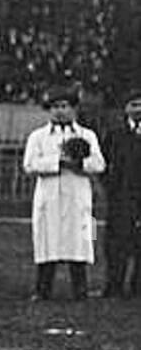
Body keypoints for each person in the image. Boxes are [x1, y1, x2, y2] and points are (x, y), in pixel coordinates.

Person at [22, 87, 106, 301]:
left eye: (64, 106)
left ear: (73, 109)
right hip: (48, 196)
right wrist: (57, 163)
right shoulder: (38, 136)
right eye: (55, 107)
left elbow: (99, 164)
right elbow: (29, 164)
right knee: (47, 242)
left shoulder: (87, 135)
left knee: (79, 242)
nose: (60, 111)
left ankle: (80, 290)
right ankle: (42, 290)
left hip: (77, 196)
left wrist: (79, 163)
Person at [100, 91, 141, 297]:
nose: (139, 109)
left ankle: (137, 287)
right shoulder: (115, 134)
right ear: (126, 108)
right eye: (134, 104)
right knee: (117, 244)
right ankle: (114, 285)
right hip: (121, 198)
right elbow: (102, 164)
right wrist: (112, 188)